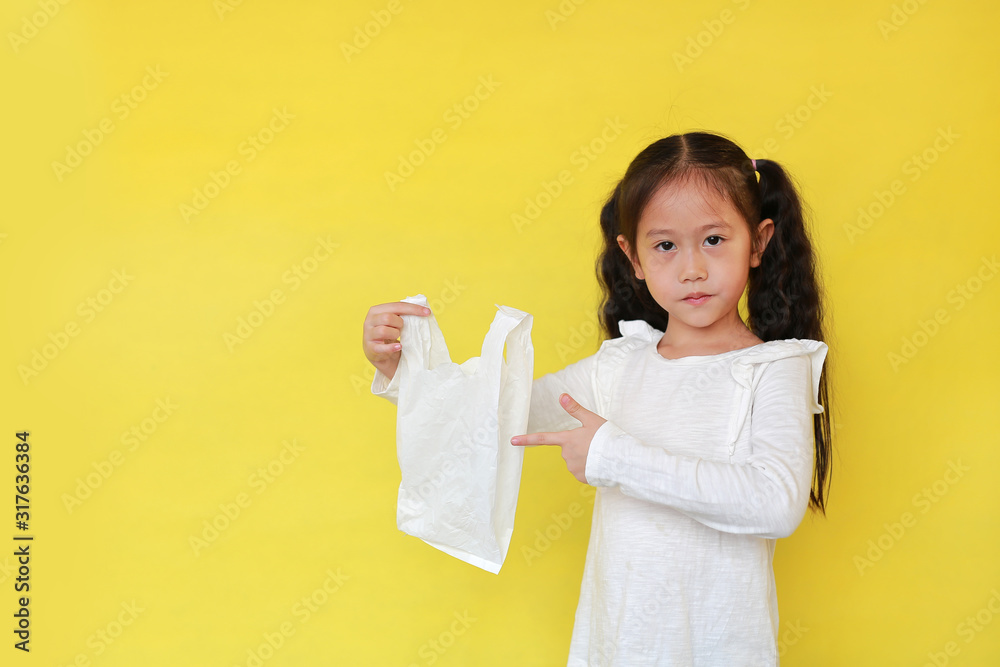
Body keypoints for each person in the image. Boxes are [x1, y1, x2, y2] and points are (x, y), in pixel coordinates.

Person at [362, 130, 833, 666]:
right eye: (665, 246)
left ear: (760, 241)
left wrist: (613, 456)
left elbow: (775, 502)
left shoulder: (774, 369)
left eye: (714, 240)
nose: (692, 268)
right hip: (616, 649)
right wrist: (407, 371)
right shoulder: (619, 364)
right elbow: (495, 415)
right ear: (632, 257)